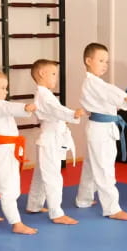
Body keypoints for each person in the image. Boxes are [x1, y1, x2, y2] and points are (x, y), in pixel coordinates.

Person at [75, 43, 127, 221]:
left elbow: (109, 90)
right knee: (105, 169)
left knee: (91, 166)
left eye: (107, 61)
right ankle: (112, 208)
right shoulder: (92, 83)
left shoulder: (97, 83)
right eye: (101, 60)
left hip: (100, 128)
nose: (105, 64)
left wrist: (125, 98)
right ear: (88, 61)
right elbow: (108, 92)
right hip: (100, 130)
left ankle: (84, 199)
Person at [0, 70, 38, 235]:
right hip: (3, 153)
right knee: (9, 188)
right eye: (3, 88)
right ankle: (16, 223)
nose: (6, 91)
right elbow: (8, 106)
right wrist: (24, 107)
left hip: (0, 151)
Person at [26, 59, 84, 225]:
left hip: (50, 138)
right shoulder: (44, 95)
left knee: (40, 174)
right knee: (53, 176)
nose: (55, 78)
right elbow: (56, 110)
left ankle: (34, 204)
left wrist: (67, 117)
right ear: (42, 74)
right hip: (49, 140)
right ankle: (56, 213)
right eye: (53, 74)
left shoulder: (45, 94)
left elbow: (54, 112)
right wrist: (73, 113)